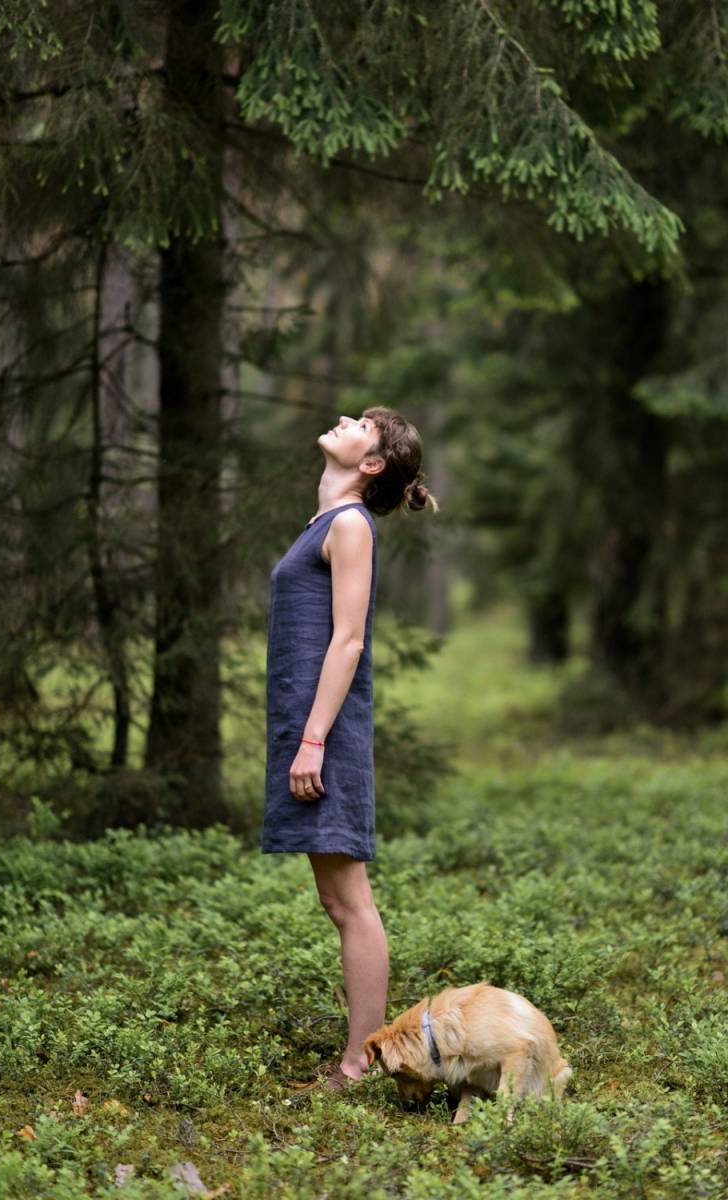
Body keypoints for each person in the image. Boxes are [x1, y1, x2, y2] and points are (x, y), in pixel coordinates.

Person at [262, 405, 439, 1090]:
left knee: (351, 903)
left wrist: (312, 742)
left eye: (362, 424)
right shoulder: (326, 524)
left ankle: (358, 1065)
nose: (344, 418)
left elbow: (349, 640)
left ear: (372, 465)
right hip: (311, 732)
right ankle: (361, 1058)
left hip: (324, 736)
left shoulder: (348, 525)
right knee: (340, 902)